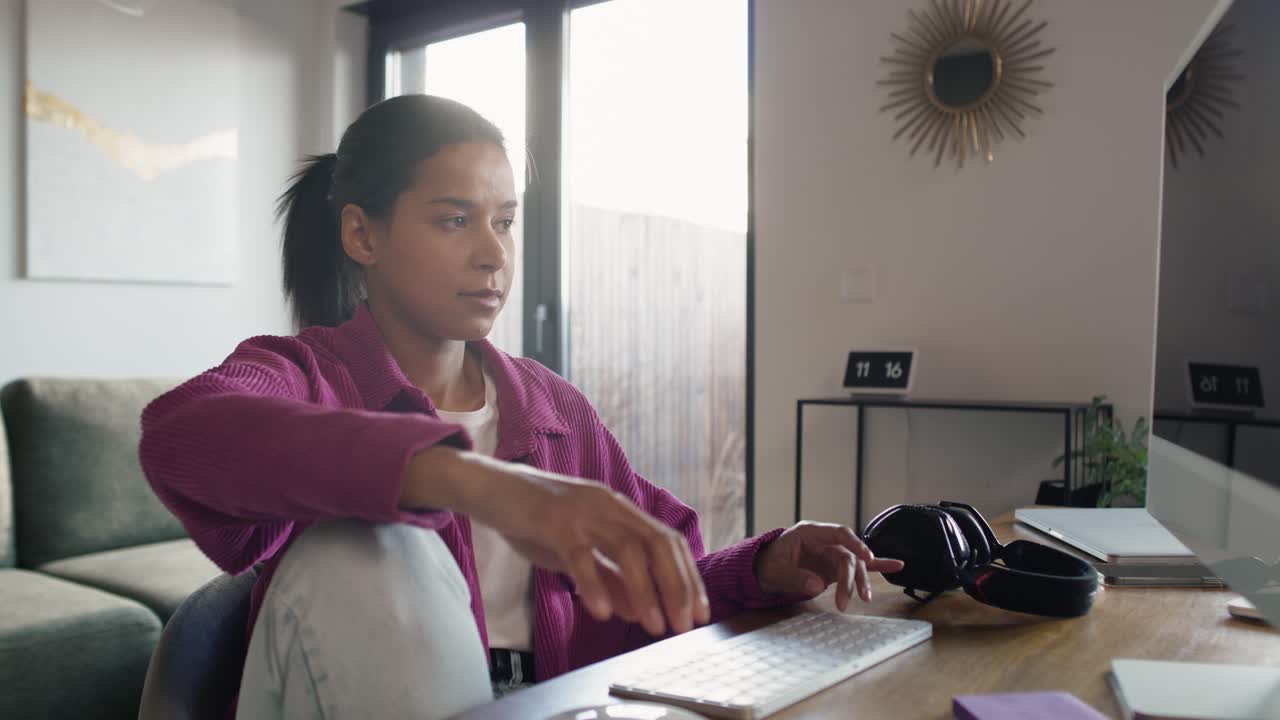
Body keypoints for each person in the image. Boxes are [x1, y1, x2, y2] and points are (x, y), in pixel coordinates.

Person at [139, 94, 904, 720]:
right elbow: (179, 434)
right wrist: (484, 486)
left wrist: (764, 564)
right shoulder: (305, 372)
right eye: (453, 219)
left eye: (503, 220)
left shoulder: (555, 412)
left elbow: (658, 573)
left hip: (548, 707)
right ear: (361, 234)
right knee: (369, 544)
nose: (494, 254)